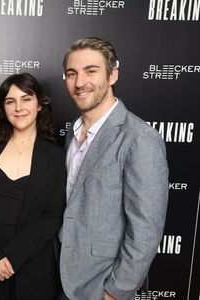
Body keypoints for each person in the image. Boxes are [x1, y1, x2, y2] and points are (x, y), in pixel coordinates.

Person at [58, 37, 169, 300]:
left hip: (101, 286)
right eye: (72, 73)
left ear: (112, 75)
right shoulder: (71, 134)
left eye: (91, 71)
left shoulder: (140, 138)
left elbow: (145, 230)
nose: (80, 82)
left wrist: (115, 292)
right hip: (62, 278)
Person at [0, 73, 66, 300]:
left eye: (26, 99)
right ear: (3, 107)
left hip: (31, 272)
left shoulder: (56, 157)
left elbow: (52, 216)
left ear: (39, 104)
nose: (18, 107)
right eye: (10, 101)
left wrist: (10, 259)